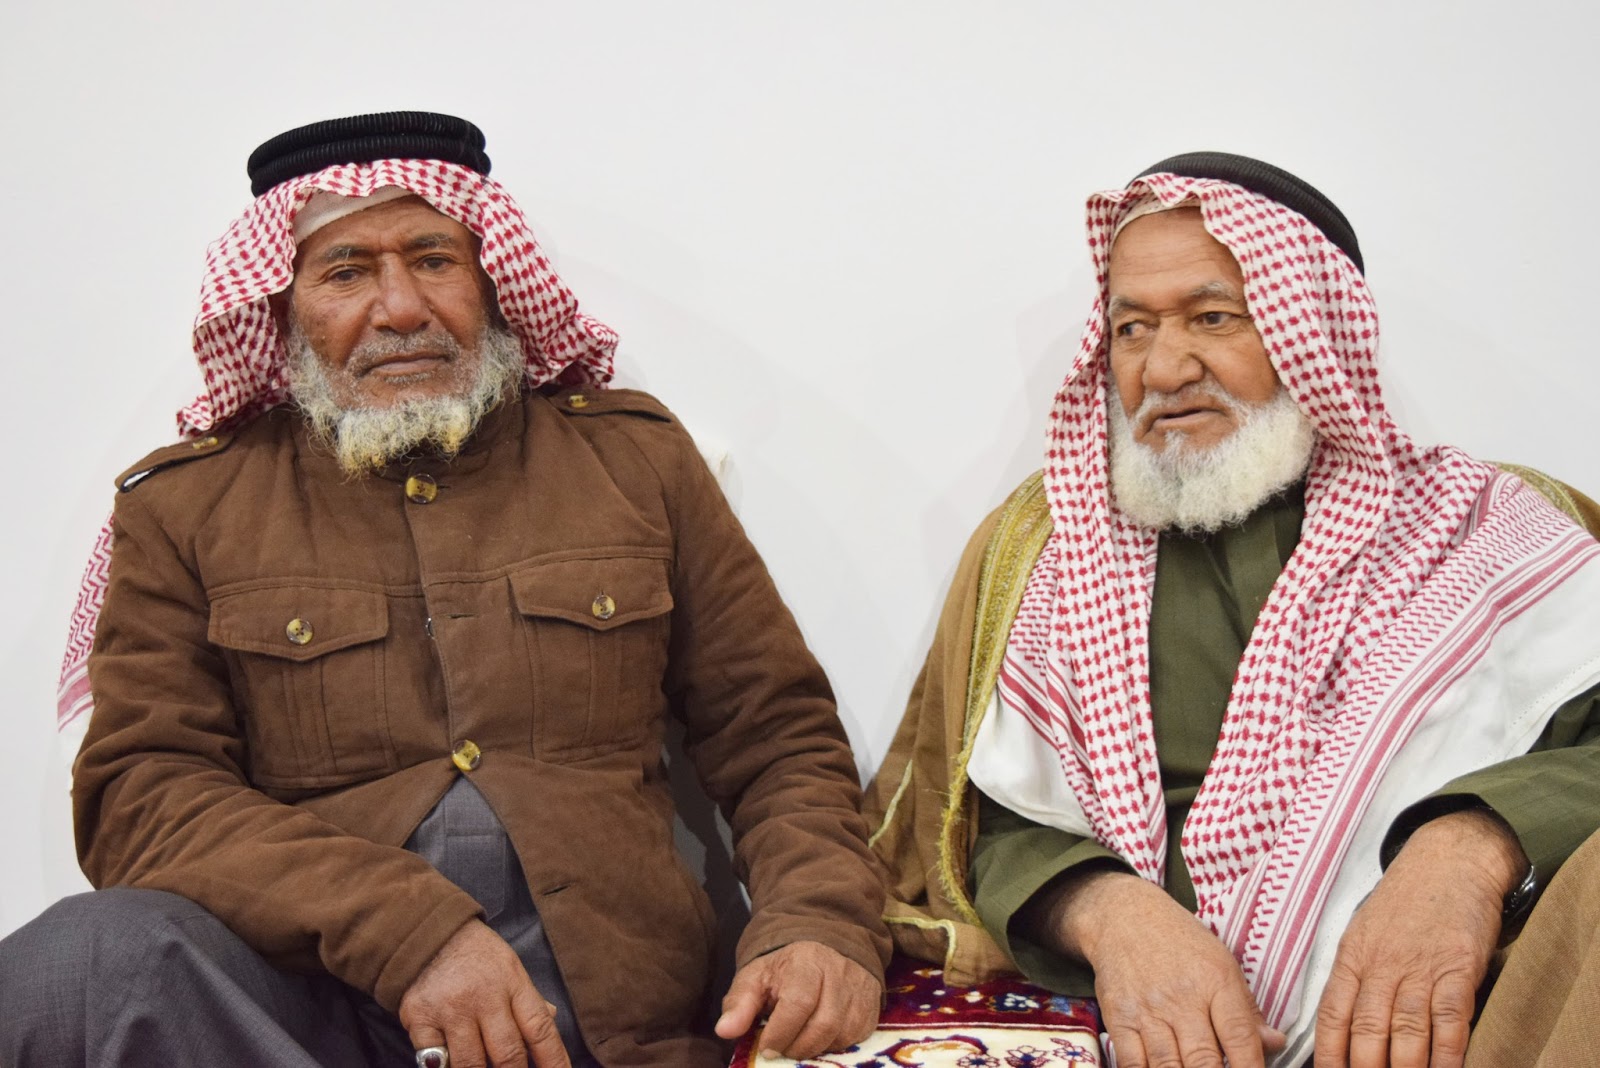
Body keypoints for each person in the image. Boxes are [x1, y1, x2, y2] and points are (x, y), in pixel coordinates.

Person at [0, 112, 888, 1068]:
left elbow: (776, 732)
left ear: (492, 280)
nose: (400, 309)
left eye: (433, 260)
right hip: (312, 1025)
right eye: (346, 273)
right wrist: (405, 930)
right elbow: (144, 795)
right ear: (283, 307)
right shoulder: (187, 506)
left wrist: (819, 921)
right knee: (74, 963)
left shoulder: (635, 461)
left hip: (612, 1026)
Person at [864, 152, 1600, 1068]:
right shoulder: (1043, 551)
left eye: (1213, 318)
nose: (1164, 368)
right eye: (1132, 329)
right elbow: (983, 822)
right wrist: (1109, 914)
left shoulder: (1487, 531)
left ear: (1313, 330)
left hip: (1468, 1024)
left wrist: (1472, 846)